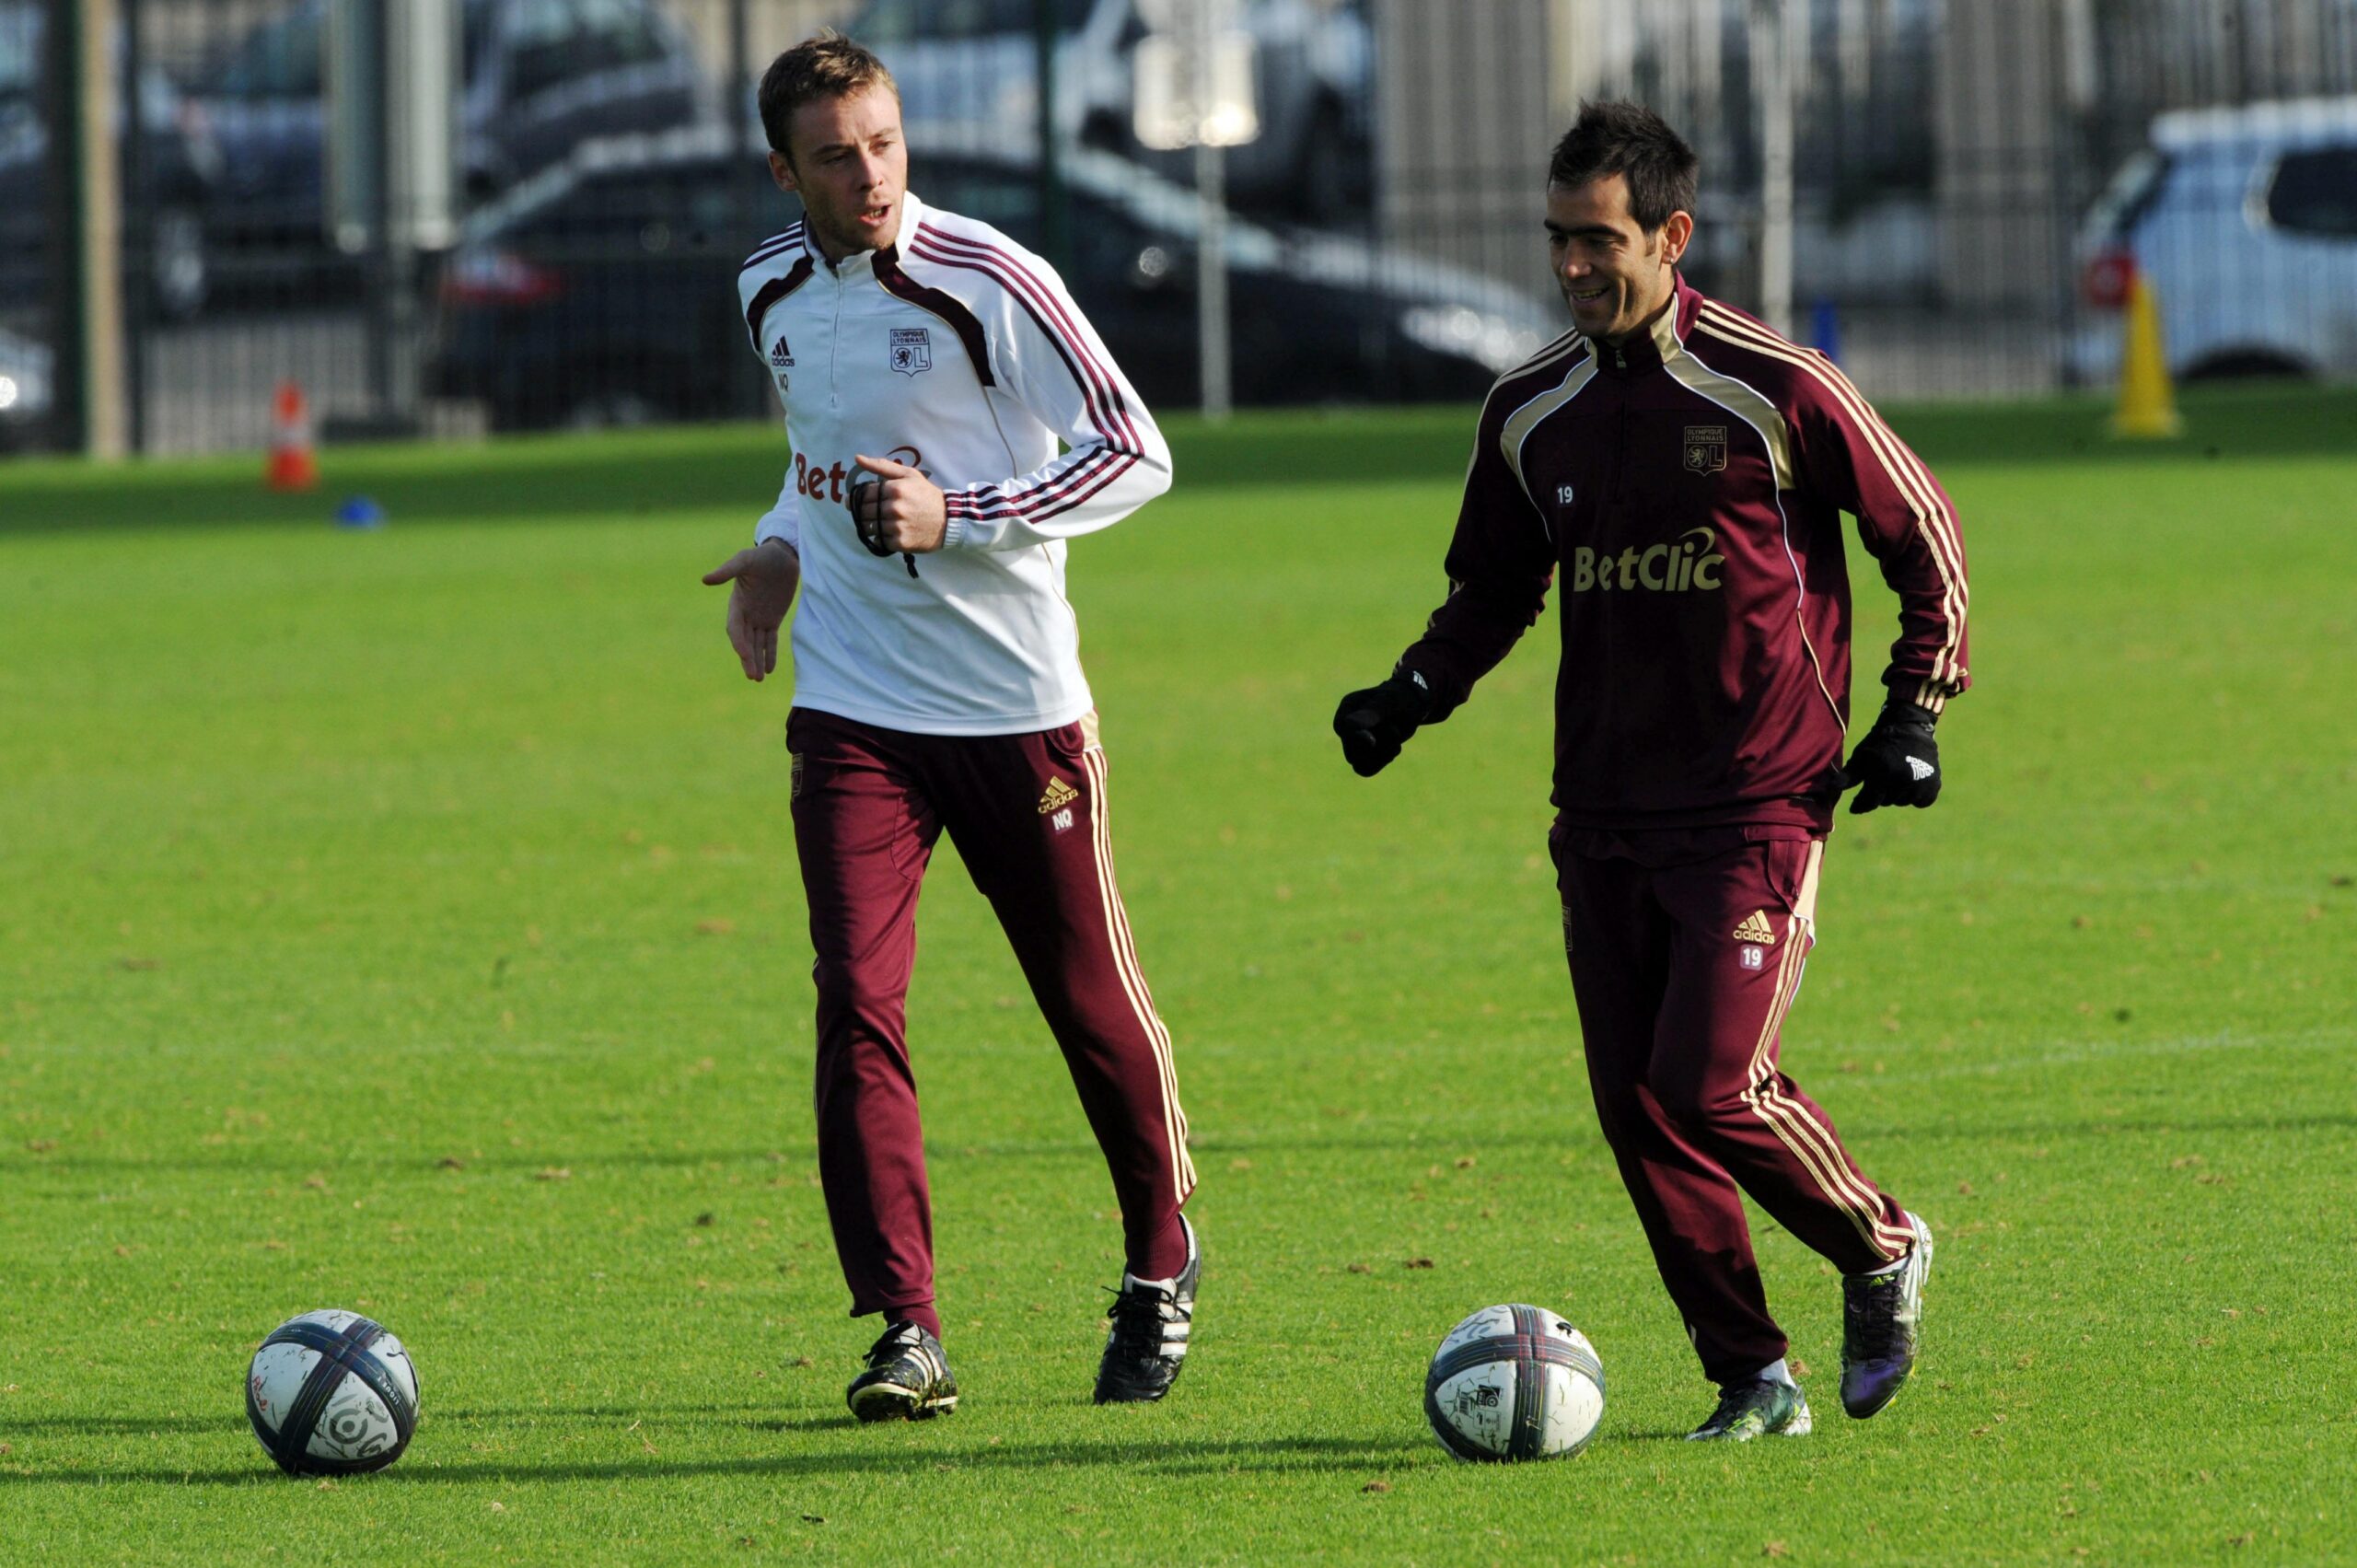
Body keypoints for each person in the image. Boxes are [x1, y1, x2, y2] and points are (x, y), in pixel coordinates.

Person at [1333, 101, 1967, 1442]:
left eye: (1599, 240)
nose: (1572, 267)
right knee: (1638, 1109)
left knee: (1713, 1084)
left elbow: (1927, 536)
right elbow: (1494, 590)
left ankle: (1879, 1243)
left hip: (1755, 799)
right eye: (1557, 240)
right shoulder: (1530, 411)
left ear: (1673, 236)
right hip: (1603, 810)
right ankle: (1753, 1376)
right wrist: (1412, 695)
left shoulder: (1772, 387)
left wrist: (1915, 708)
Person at [702, 32, 1197, 1422]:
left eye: (885, 141)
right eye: (836, 154)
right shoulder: (768, 289)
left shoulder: (988, 276)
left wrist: (962, 516)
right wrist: (777, 550)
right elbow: (814, 454)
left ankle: (1161, 1262)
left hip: (1014, 711)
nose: (870, 175)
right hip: (854, 709)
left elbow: (1136, 452)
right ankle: (906, 1329)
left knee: (1087, 1006)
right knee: (857, 1004)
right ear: (781, 169)